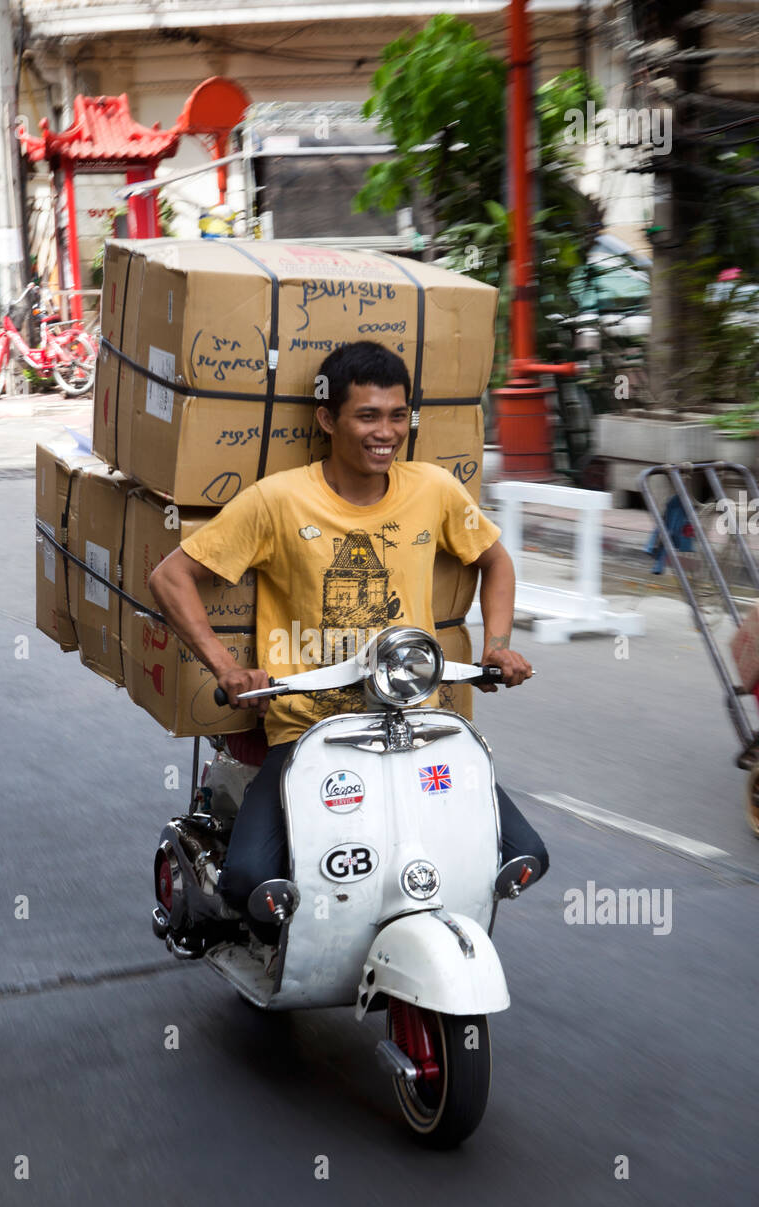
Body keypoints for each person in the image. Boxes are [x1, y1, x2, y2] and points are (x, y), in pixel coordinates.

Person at [149, 341, 549, 934]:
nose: (384, 432)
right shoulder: (278, 501)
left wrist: (495, 646)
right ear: (328, 419)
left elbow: (496, 561)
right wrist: (227, 668)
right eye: (367, 415)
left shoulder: (434, 489)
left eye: (396, 416)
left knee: (522, 855)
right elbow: (170, 575)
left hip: (415, 728)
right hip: (310, 735)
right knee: (250, 886)